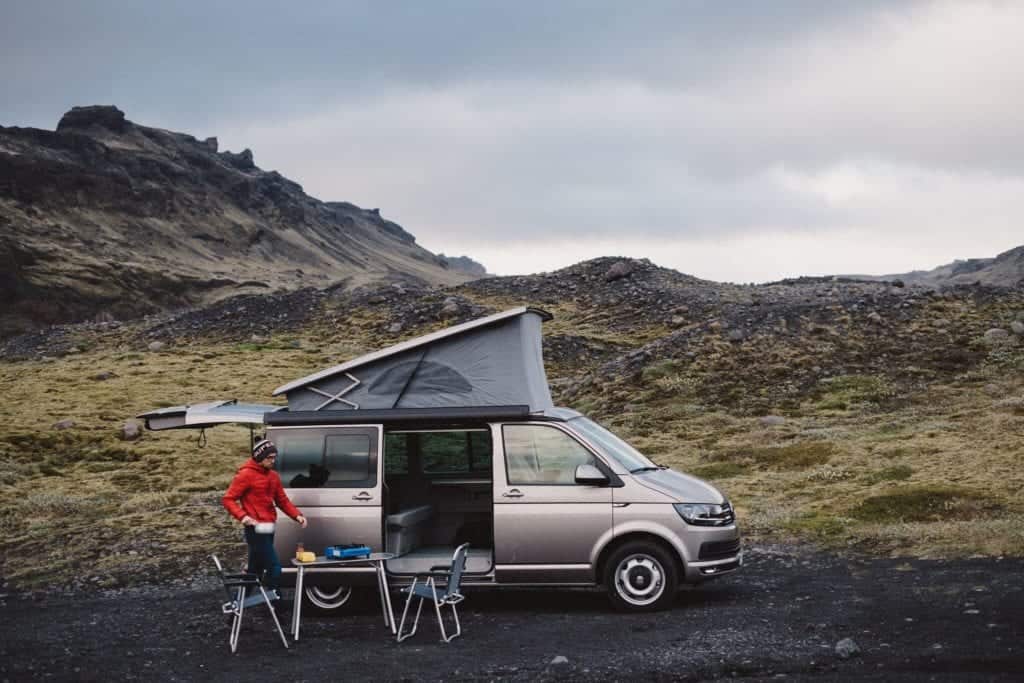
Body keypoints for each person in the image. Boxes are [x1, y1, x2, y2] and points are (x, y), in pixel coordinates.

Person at [222, 438, 307, 598]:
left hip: (269, 527)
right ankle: (276, 603)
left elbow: (282, 500)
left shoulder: (273, 476)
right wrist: (243, 517)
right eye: (270, 458)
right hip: (255, 529)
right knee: (274, 567)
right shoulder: (245, 475)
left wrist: (297, 515)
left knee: (254, 571)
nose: (273, 461)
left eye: (275, 457)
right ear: (259, 457)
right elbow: (228, 499)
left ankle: (236, 609)